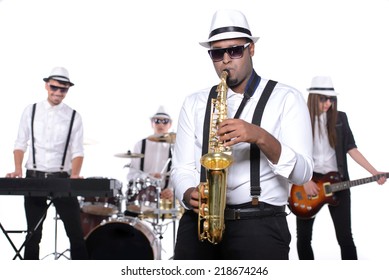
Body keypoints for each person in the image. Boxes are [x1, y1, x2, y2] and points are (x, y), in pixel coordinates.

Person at [170, 9, 314, 260]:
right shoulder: (194, 102)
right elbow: (181, 168)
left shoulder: (286, 98)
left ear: (251, 49)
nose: (226, 59)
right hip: (199, 225)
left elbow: (303, 173)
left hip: (260, 225)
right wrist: (187, 193)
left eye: (235, 50)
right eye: (217, 53)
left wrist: (260, 136)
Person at [295, 76, 387, 260]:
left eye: (332, 99)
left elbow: (351, 148)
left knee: (345, 237)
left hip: (338, 184)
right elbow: (293, 154)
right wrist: (304, 181)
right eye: (324, 99)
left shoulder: (340, 118)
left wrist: (374, 172)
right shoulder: (300, 119)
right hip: (310, 184)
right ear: (314, 98)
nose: (329, 103)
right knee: (304, 238)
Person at [6, 67, 89, 260]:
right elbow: (20, 143)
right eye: (54, 87)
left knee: (76, 234)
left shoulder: (74, 116)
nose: (58, 92)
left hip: (62, 178)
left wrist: (75, 174)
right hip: (34, 177)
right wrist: (17, 169)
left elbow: (78, 150)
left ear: (68, 90)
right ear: (46, 85)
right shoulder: (31, 110)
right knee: (33, 234)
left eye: (63, 89)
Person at [130, 106, 174, 200]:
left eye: (165, 121)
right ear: (152, 123)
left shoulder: (174, 147)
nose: (161, 124)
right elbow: (131, 174)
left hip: (166, 198)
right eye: (157, 121)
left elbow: (180, 173)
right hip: (142, 196)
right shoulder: (140, 145)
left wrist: (172, 189)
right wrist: (148, 177)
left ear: (170, 124)